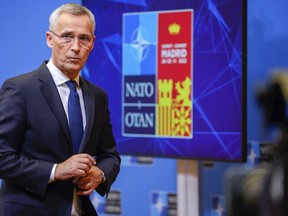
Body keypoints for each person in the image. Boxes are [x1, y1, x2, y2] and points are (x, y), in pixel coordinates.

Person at [0, 3, 120, 216]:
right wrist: (56, 170)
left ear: (92, 43)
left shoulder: (98, 96)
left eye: (84, 38)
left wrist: (100, 174)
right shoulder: (20, 89)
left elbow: (110, 155)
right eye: (66, 36)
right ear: (49, 39)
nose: (75, 47)